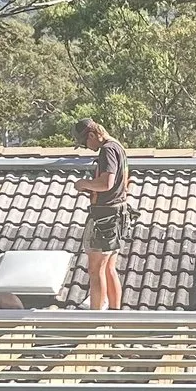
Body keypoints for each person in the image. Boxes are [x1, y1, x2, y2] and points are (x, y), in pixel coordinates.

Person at [74, 116, 133, 309]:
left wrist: (84, 184)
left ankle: (96, 317)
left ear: (92, 135)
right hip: (117, 213)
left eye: (85, 143)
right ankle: (115, 314)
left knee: (95, 269)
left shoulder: (107, 149)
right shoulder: (118, 147)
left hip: (104, 217)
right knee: (108, 268)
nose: (87, 147)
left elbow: (107, 183)